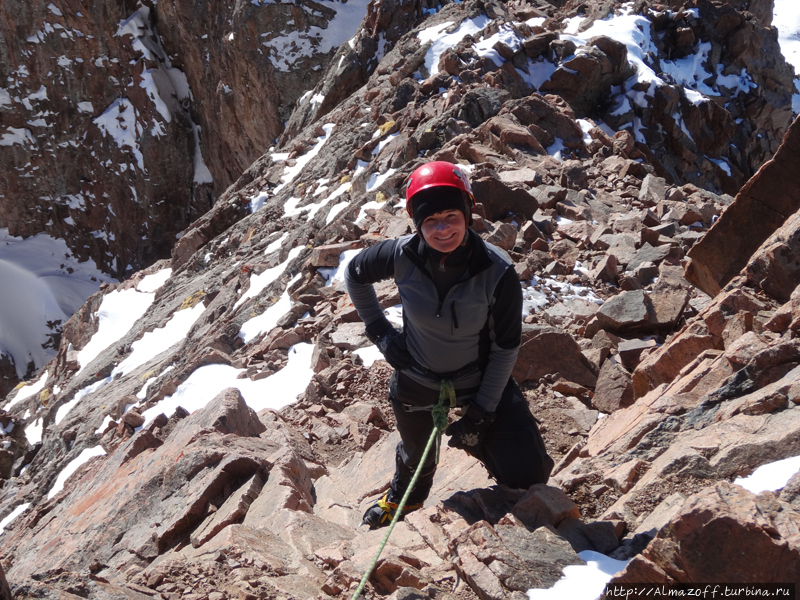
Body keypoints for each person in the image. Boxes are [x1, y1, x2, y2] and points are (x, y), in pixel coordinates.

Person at [345, 161, 554, 529]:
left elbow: (505, 348)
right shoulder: (400, 254)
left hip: (478, 381)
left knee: (529, 474)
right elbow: (355, 274)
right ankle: (404, 499)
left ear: (468, 212)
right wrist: (380, 333)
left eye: (451, 216)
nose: (442, 229)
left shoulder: (497, 270)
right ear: (417, 224)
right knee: (416, 457)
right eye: (431, 221)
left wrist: (482, 414)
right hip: (417, 378)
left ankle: (484, 442)